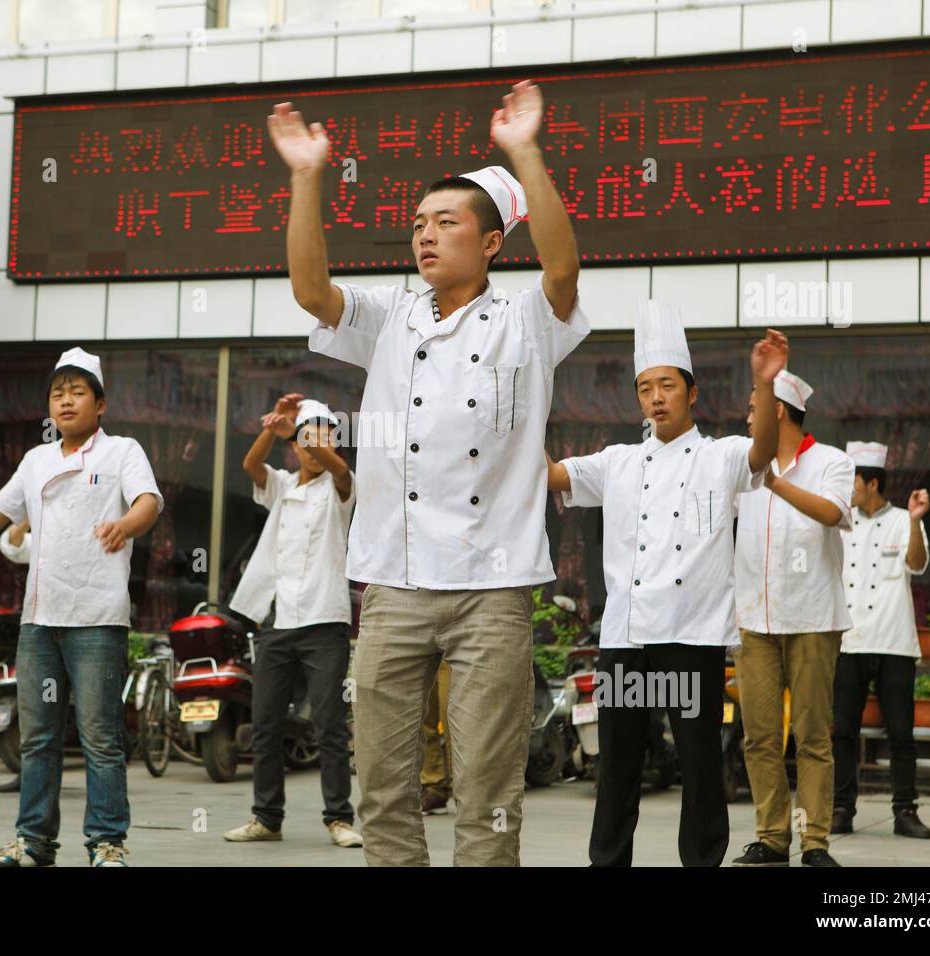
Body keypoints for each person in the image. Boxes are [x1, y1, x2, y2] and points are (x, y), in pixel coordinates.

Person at [270, 79, 590, 866]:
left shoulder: (526, 321)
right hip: (392, 584)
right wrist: (307, 176)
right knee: (384, 790)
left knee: (486, 795)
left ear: (489, 243)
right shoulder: (389, 317)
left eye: (446, 223)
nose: (425, 236)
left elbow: (563, 266)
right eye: (418, 224)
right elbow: (312, 291)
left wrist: (525, 152)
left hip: (491, 586)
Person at [0, 347, 163, 867]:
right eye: (57, 392)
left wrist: (126, 525)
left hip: (96, 619)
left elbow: (149, 502)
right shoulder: (35, 460)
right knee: (37, 739)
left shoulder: (122, 452)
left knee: (100, 738)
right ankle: (33, 843)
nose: (65, 400)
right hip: (40, 620)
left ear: (101, 404)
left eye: (77, 391)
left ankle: (107, 844)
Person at [548, 302, 788, 867]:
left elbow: (763, 451)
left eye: (667, 386)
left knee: (702, 768)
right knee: (617, 769)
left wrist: (764, 383)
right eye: (645, 388)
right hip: (625, 642)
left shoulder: (721, 456)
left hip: (692, 638)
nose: (656, 397)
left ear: (691, 392)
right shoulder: (618, 462)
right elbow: (551, 474)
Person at [221, 394, 361, 848]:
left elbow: (335, 466)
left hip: (325, 620)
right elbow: (249, 465)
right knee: (264, 724)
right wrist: (273, 428)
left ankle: (339, 819)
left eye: (324, 437)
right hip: (277, 621)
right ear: (293, 449)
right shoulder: (282, 486)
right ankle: (267, 817)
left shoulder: (342, 486)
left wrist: (302, 431)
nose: (314, 445)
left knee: (330, 724)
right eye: (306, 439)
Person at [731, 371, 854, 868]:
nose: (747, 415)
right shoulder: (742, 464)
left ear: (778, 408)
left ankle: (815, 842)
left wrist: (776, 484)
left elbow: (831, 513)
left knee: (811, 735)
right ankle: (772, 837)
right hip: (753, 620)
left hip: (812, 618)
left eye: (754, 404)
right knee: (759, 735)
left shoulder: (832, 461)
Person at [831, 441, 930, 839]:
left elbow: (917, 563)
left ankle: (905, 811)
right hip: (849, 641)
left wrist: (914, 520)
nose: (849, 490)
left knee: (901, 733)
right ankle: (842, 808)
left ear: (871, 483)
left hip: (893, 642)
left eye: (853, 482)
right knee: (842, 732)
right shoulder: (840, 523)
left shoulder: (905, 520)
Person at [0, 519, 31, 795]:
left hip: (89, 626)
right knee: (32, 710)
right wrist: (28, 516)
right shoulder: (40, 532)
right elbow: (13, 547)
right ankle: (28, 775)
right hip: (39, 625)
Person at [420, 661, 453, 815]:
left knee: (455, 719)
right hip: (418, 640)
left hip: (460, 643)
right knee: (423, 716)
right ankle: (433, 787)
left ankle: (464, 788)